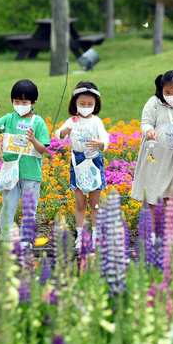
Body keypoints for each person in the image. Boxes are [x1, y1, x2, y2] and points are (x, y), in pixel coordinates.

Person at [0, 79, 50, 244]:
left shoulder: (38, 122)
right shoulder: (8, 119)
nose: (20, 105)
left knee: (29, 209)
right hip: (10, 171)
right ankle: (6, 239)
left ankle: (26, 240)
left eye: (24, 102)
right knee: (8, 207)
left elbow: (42, 149)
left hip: (31, 173)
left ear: (33, 102)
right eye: (16, 101)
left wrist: (33, 139)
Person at [130, 70, 173, 226]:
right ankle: (152, 235)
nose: (171, 95)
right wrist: (149, 131)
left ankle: (171, 234)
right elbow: (146, 122)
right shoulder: (154, 102)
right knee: (153, 196)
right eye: (167, 92)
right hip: (155, 157)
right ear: (161, 90)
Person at [56, 82, 110, 248]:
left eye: (90, 104)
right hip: (77, 162)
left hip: (93, 161)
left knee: (95, 203)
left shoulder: (96, 121)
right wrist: (63, 132)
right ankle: (80, 236)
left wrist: (100, 143)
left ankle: (96, 236)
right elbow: (60, 134)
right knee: (80, 203)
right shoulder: (72, 120)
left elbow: (105, 137)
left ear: (96, 104)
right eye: (82, 104)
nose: (86, 107)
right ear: (75, 103)